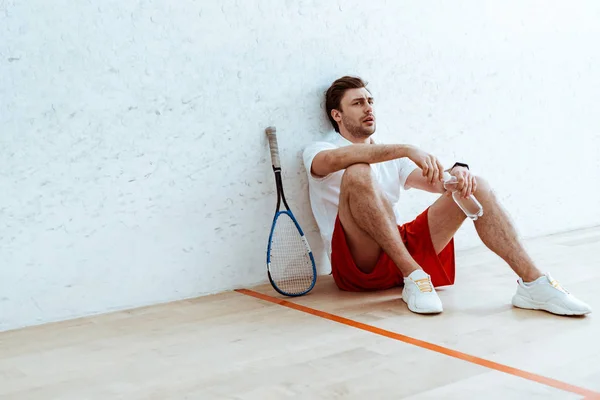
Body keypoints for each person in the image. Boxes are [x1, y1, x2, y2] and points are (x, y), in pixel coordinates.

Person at [302, 75, 592, 316]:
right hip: (358, 264)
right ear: (336, 115)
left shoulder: (396, 158)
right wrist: (405, 148)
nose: (368, 108)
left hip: (398, 247)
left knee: (475, 183)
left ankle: (534, 284)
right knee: (358, 170)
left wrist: (459, 173)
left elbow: (440, 184)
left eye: (370, 101)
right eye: (357, 103)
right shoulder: (318, 151)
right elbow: (341, 160)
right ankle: (414, 276)